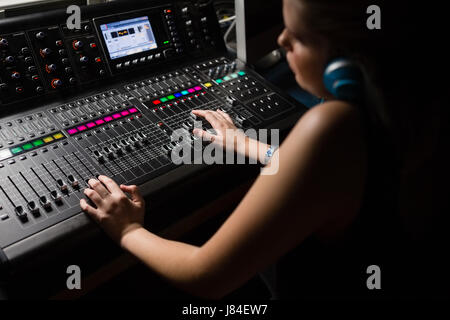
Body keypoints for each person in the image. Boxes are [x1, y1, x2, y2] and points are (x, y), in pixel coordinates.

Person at [79, 0, 442, 298]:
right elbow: (333, 175)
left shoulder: (332, 125)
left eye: (296, 37)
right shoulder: (408, 102)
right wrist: (247, 144)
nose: (281, 41)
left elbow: (205, 275)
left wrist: (128, 230)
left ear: (344, 63)